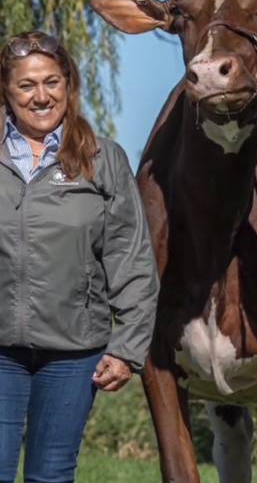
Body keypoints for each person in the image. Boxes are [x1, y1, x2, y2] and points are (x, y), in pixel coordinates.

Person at [0, 31, 160, 482]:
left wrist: (127, 349)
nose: (41, 96)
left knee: (50, 476)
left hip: (73, 355)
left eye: (52, 82)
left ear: (68, 86)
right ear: (6, 91)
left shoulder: (101, 158)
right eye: (26, 85)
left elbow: (130, 259)